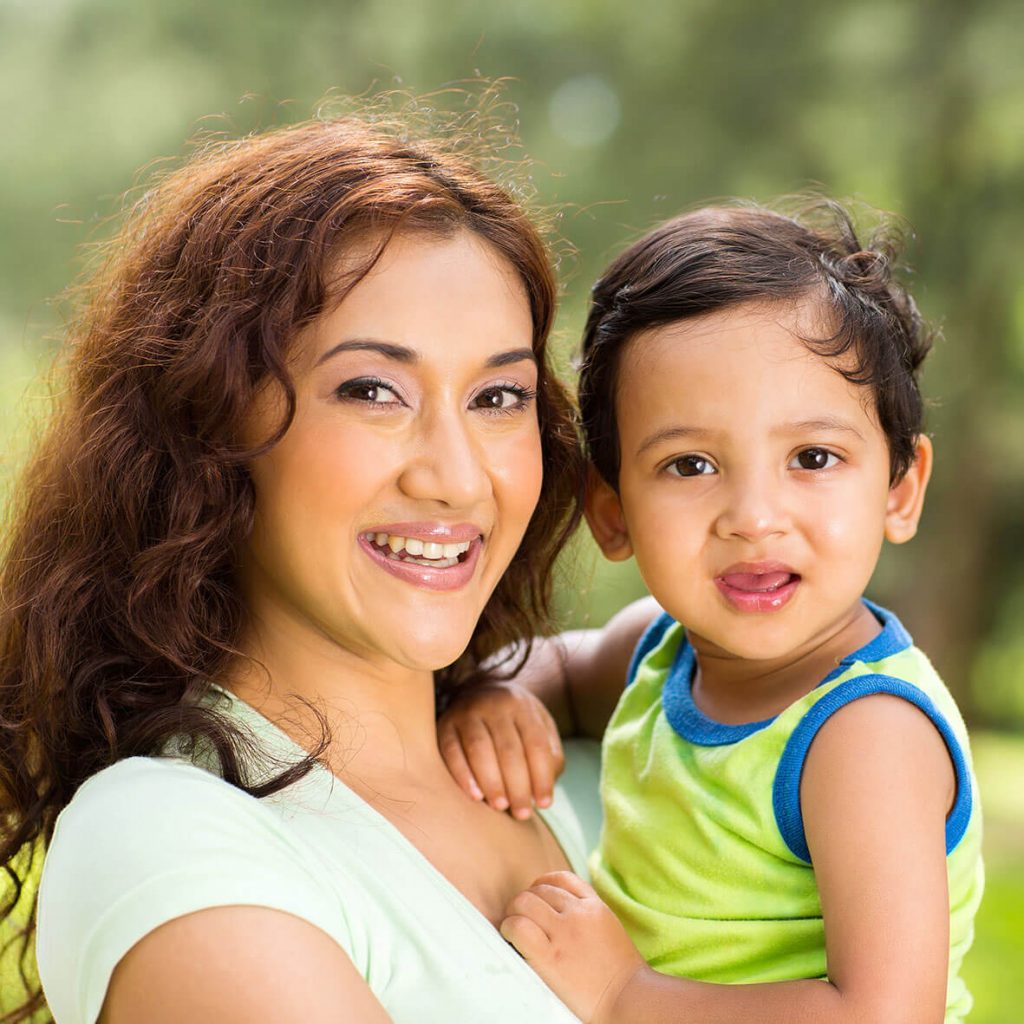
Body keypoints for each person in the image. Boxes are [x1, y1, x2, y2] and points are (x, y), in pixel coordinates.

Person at [0, 108, 599, 1023]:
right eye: (371, 390)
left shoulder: (596, 770)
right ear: (208, 424)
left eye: (499, 396)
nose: (456, 475)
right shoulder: (169, 839)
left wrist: (524, 691)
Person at [439, 202, 985, 1023]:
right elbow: (549, 669)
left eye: (813, 457)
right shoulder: (655, 654)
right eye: (691, 464)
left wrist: (627, 994)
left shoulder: (863, 735)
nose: (754, 516)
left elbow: (884, 1013)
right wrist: (494, 698)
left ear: (900, 490)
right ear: (612, 512)